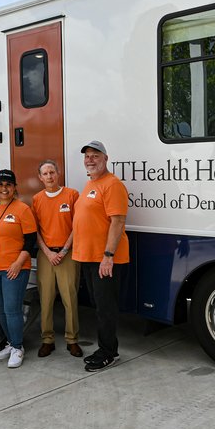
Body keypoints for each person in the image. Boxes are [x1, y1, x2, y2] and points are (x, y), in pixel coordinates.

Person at [72, 140, 129, 372]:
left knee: (105, 307)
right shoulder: (91, 184)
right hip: (88, 256)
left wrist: (108, 256)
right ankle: (106, 347)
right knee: (99, 305)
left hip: (103, 258)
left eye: (95, 155)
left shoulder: (112, 184)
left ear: (106, 158)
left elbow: (118, 221)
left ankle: (109, 352)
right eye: (87, 156)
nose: (90, 159)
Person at [0, 169, 37, 368]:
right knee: (0, 310)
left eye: (8, 185)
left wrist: (17, 263)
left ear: (14, 187)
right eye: (0, 185)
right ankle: (10, 342)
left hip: (15, 267)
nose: (4, 188)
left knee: (12, 309)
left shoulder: (22, 209)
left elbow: (31, 241)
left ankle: (18, 347)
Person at [31, 160, 82, 358]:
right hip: (46, 255)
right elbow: (35, 230)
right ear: (40, 177)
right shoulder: (36, 199)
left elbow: (76, 226)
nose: (49, 176)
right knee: (46, 299)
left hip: (67, 254)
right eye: (45, 173)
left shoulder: (71, 195)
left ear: (58, 173)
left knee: (70, 298)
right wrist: (48, 252)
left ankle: (72, 340)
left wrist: (63, 250)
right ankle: (47, 339)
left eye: (52, 172)